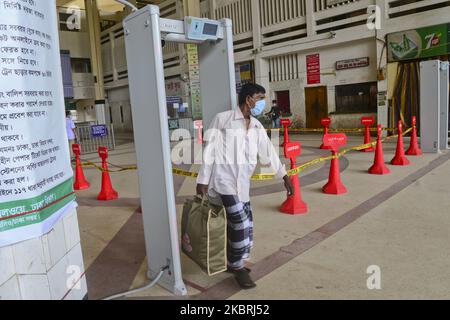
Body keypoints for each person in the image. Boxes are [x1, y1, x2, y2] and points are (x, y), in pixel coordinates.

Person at [196, 83, 294, 289]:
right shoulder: (223, 119)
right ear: (249, 99)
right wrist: (202, 180)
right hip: (222, 182)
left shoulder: (257, 126)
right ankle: (238, 267)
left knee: (246, 224)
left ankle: (235, 260)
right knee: (239, 222)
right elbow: (209, 150)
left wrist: (284, 176)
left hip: (242, 184)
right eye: (260, 97)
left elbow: (268, 152)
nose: (262, 102)